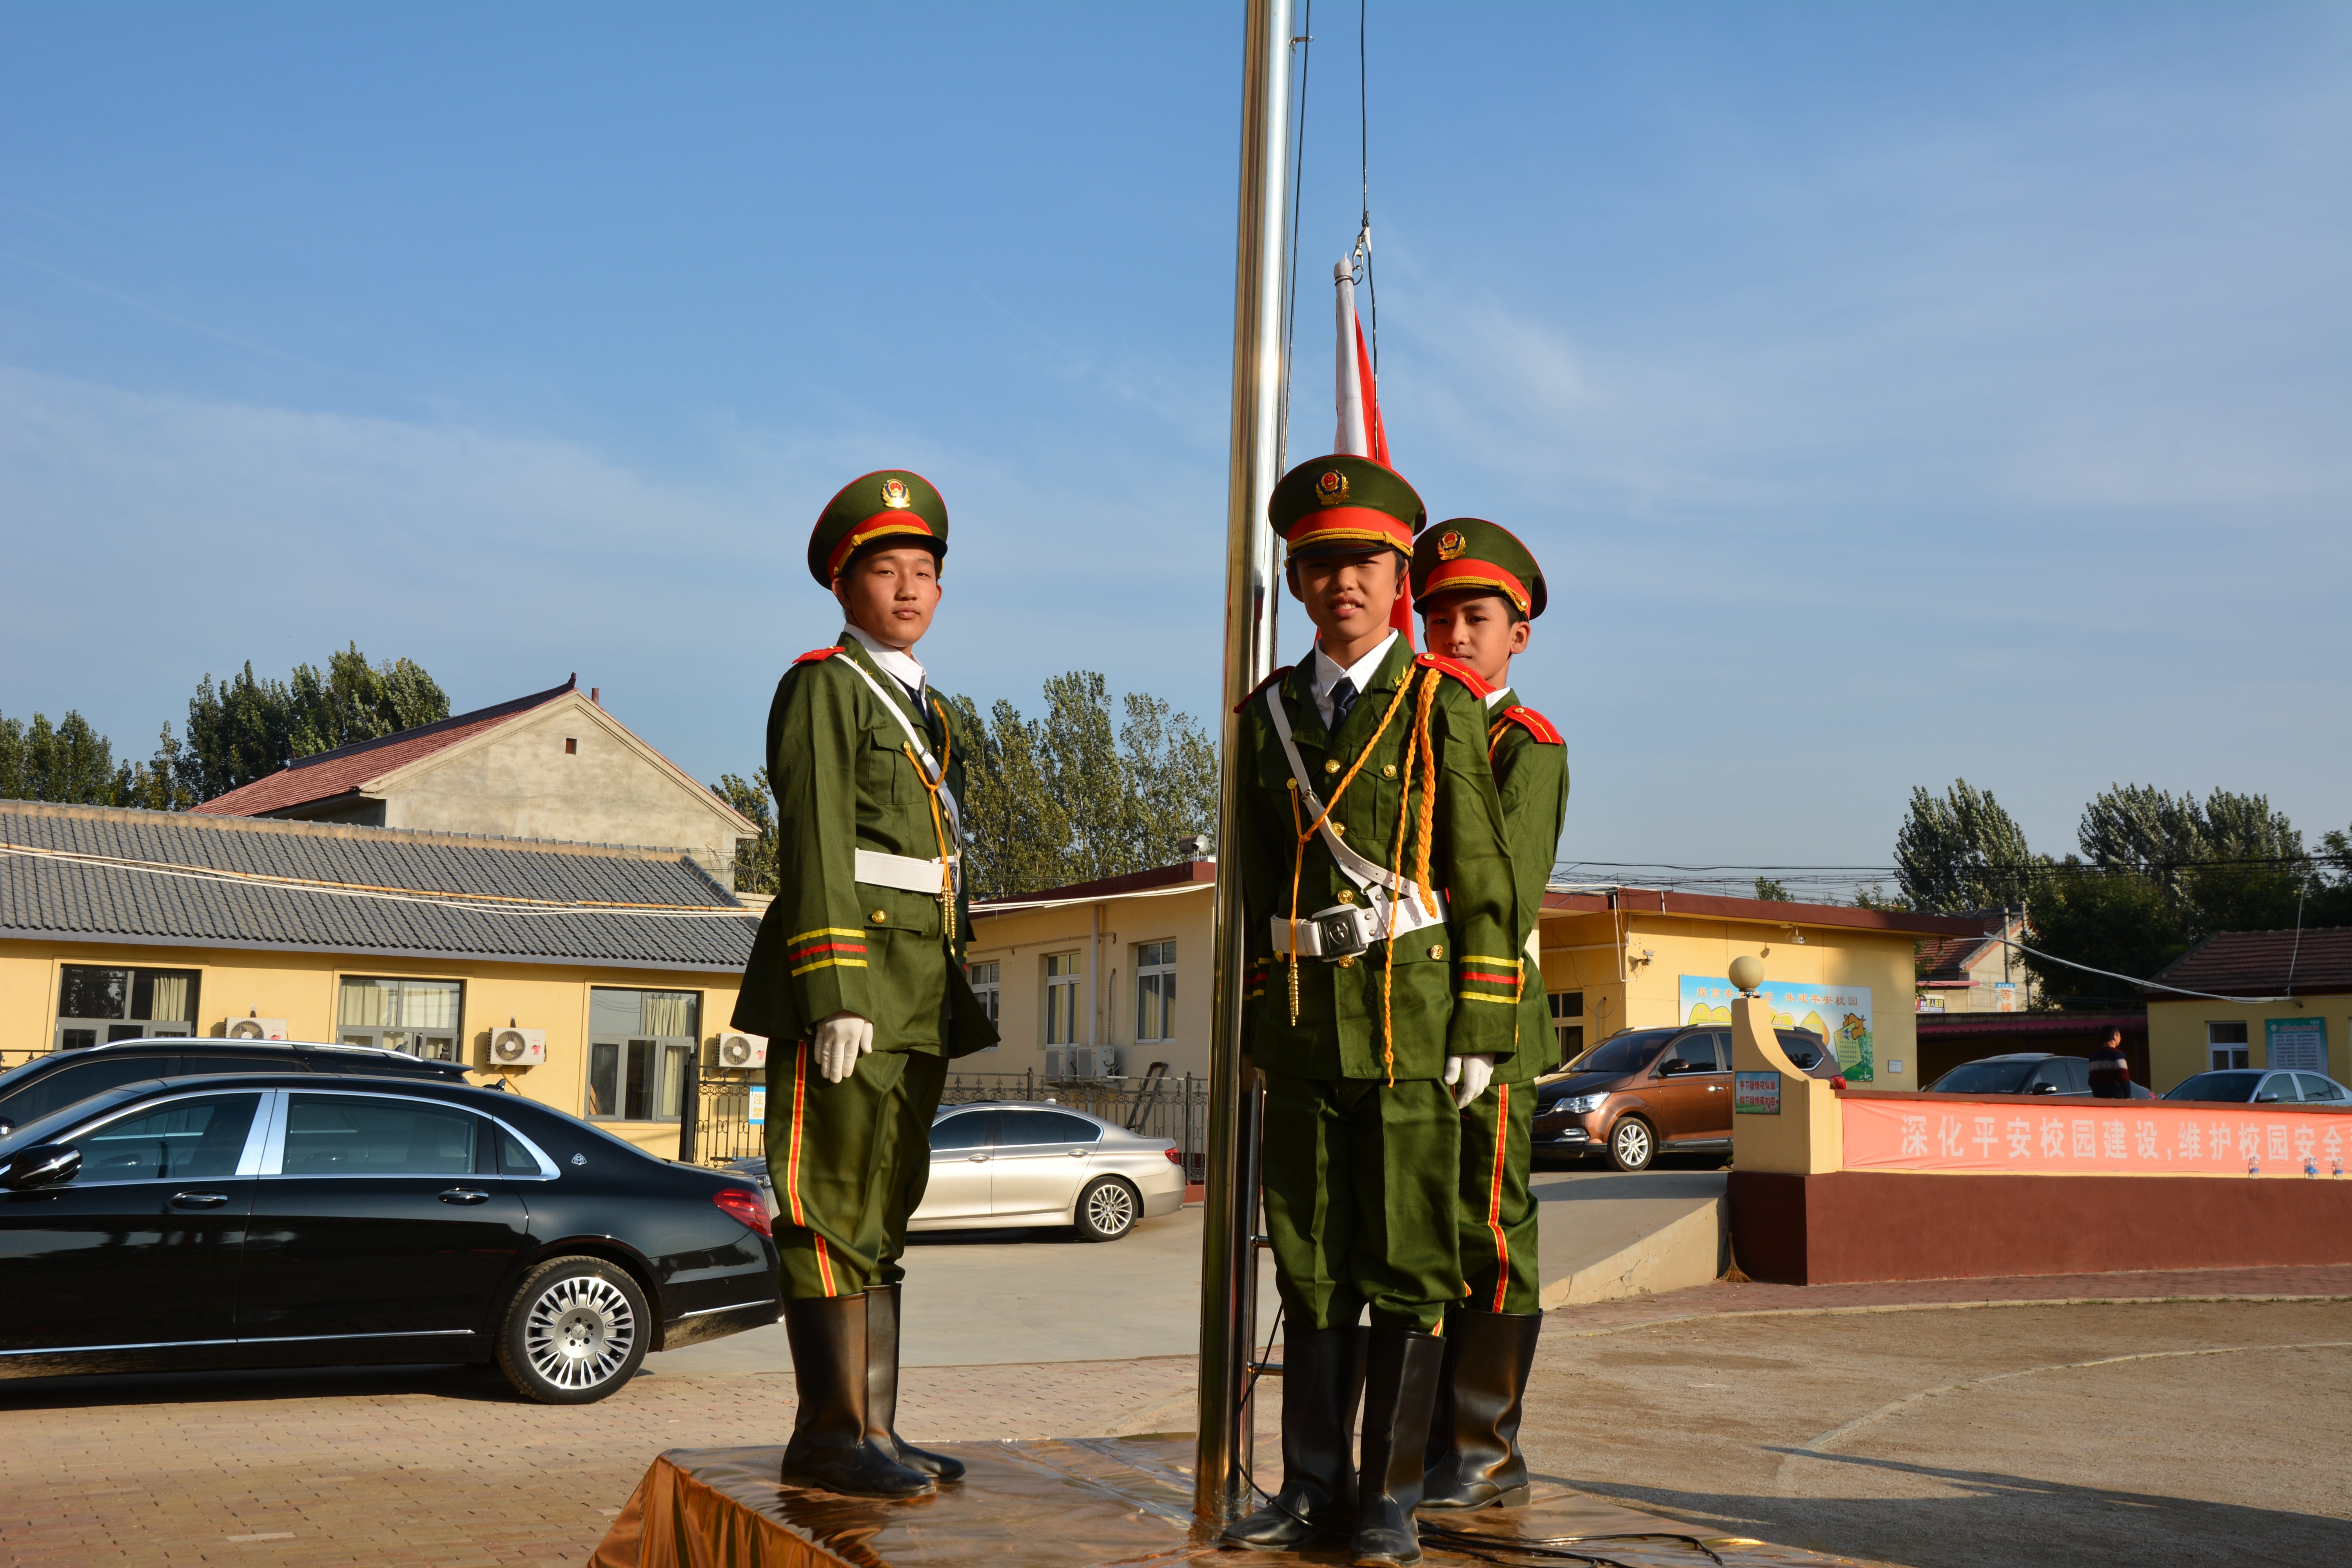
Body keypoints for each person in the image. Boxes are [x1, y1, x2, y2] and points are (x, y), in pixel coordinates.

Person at [1220, 456, 1519, 1568]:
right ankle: (1312, 1487)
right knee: (1310, 1258)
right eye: (1320, 564)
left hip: (1409, 1023)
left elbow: (1482, 874)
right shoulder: (1268, 718)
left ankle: (1390, 1496)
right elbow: (1259, 884)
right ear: (1297, 582)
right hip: (1304, 1022)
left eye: (1364, 562)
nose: (1342, 582)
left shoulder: (1439, 702)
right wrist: (1261, 1026)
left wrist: (1484, 1023)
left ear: (1400, 576)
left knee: (1404, 1258)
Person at [733, 469, 999, 1499]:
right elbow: (819, 842)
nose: (908, 589)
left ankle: (874, 1429)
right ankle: (828, 1436)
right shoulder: (824, 686)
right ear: (843, 587)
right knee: (830, 1203)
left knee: (885, 1205)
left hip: (918, 984)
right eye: (884, 571)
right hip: (849, 982)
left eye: (923, 571)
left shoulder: (932, 707)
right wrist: (834, 986)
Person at [1408, 517, 1566, 1514]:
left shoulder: (1524, 743)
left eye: (1478, 616)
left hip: (1485, 1021)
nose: (1456, 633)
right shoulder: (1405, 729)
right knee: (1417, 1233)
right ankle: (1426, 1445)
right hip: (1400, 1016)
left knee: (1488, 1229)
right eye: (1437, 615)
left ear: (1519, 635)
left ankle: (1485, 1448)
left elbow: (1496, 889)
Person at [2087, 1028, 2132, 1099]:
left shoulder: (2094, 1056)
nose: (2120, 1038)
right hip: (2117, 1098)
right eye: (2119, 1036)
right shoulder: (2118, 1055)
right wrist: (2128, 1097)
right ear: (2115, 1037)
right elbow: (2124, 1077)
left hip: (2099, 1098)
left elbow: (2091, 1080)